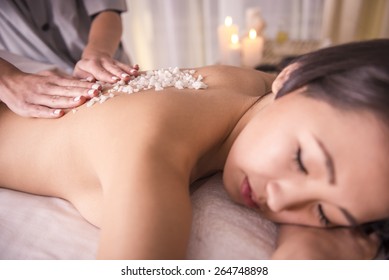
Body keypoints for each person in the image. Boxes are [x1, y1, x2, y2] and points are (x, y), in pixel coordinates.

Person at [0, 39, 388, 259]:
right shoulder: (151, 153)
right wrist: (300, 258)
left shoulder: (256, 86)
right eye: (302, 162)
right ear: (292, 78)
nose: (283, 202)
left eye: (323, 212)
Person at [0, 0, 138, 118]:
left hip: (107, 64)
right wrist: (7, 80)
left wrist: (98, 52)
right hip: (31, 86)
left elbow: (107, 9)